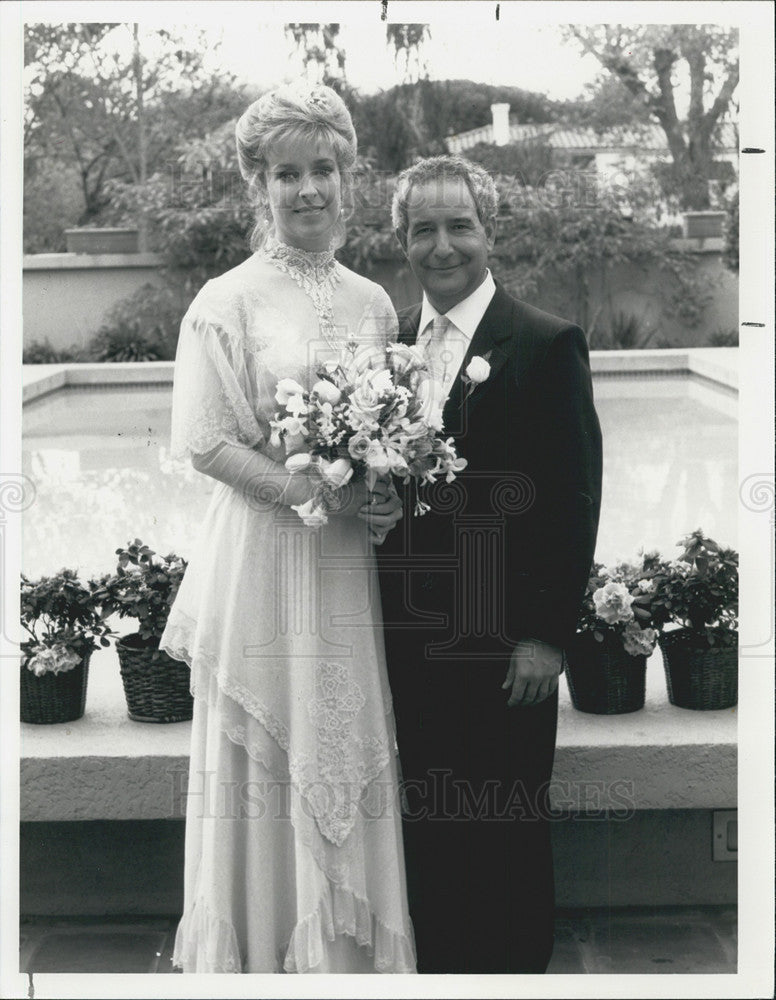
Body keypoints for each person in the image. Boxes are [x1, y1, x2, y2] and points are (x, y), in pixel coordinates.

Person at [159, 82, 413, 973]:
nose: (308, 189)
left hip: (343, 563)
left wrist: (382, 493)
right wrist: (314, 495)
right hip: (265, 556)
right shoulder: (226, 300)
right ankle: (264, 956)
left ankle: (343, 961)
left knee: (340, 733)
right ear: (257, 186)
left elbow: (391, 439)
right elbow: (204, 444)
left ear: (349, 177)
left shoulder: (375, 303)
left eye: (324, 170)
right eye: (286, 174)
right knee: (267, 752)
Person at [377, 155, 603, 974]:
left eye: (458, 225)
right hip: (409, 640)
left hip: (508, 646)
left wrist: (545, 637)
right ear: (402, 241)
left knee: (506, 827)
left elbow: (574, 501)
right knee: (428, 828)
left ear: (488, 231)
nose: (442, 246)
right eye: (422, 229)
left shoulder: (544, 343)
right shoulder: (388, 344)